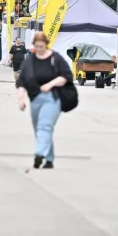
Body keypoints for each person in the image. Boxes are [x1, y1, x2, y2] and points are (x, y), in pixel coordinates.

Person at [16, 31, 73, 169]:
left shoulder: (56, 59)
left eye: (42, 46)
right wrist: (21, 98)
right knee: (39, 130)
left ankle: (39, 153)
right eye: (37, 46)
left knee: (45, 126)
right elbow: (22, 81)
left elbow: (66, 76)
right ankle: (49, 159)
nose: (39, 49)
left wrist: (51, 84)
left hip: (53, 98)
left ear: (46, 45)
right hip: (35, 99)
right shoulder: (30, 61)